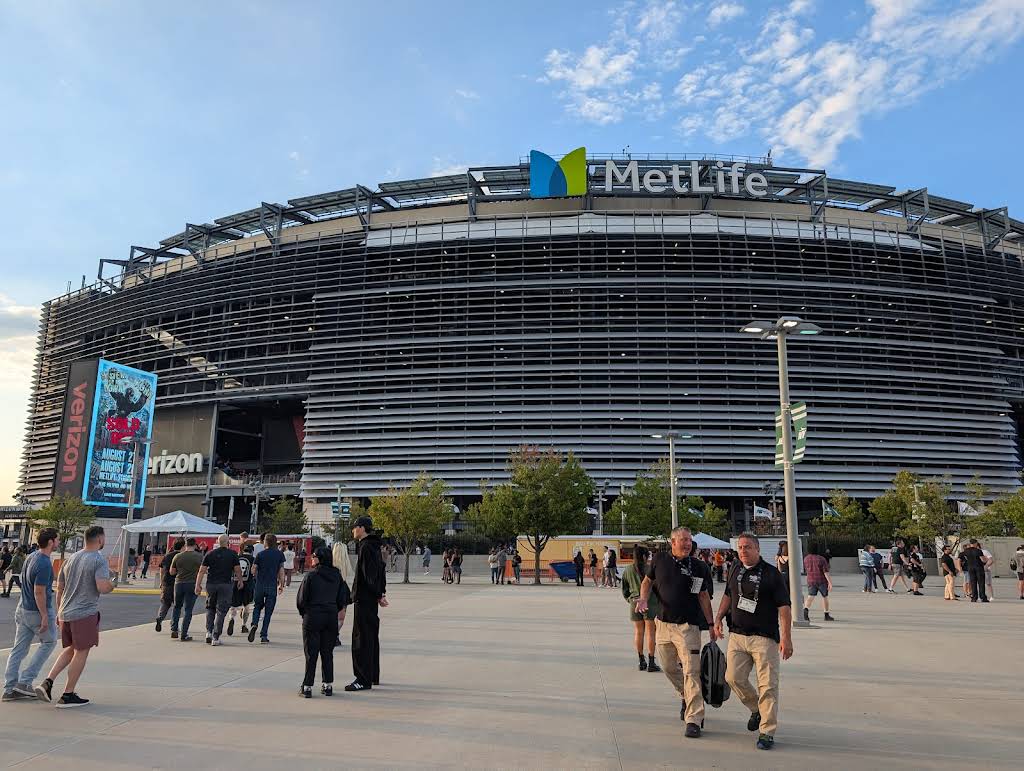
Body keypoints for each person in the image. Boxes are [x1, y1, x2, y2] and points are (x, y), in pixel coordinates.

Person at [714, 532, 793, 751]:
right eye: (740, 547)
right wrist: (718, 617)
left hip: (764, 639)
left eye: (747, 547)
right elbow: (729, 595)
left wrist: (786, 638)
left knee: (768, 686)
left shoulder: (772, 574)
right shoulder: (735, 568)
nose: (743, 551)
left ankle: (767, 731)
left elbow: (784, 607)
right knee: (733, 677)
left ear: (757, 549)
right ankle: (756, 709)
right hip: (737, 636)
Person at [635, 527, 717, 739]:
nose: (687, 543)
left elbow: (703, 596)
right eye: (683, 540)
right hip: (663, 625)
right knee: (669, 667)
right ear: (672, 542)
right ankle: (685, 695)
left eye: (689, 540)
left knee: (692, 671)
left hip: (688, 627)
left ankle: (694, 719)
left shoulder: (698, 566)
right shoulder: (660, 560)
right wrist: (643, 598)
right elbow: (647, 581)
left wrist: (711, 623)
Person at [35, 525, 115, 708]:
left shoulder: (71, 559)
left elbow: (60, 589)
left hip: (65, 612)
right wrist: (112, 584)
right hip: (85, 613)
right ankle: (68, 694)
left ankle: (48, 682)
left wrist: (58, 611)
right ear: (100, 539)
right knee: (81, 651)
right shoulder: (98, 560)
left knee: (71, 649)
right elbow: (102, 587)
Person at [3, 529, 58, 702]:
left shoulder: (32, 556)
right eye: (57, 539)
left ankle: (9, 689)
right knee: (49, 642)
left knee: (18, 649)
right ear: (50, 542)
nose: (58, 542)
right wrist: (44, 616)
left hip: (23, 609)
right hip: (35, 610)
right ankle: (25, 682)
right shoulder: (44, 563)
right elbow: (39, 592)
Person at [296, 546, 351, 698]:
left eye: (314, 556)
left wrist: (304, 613)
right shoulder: (337, 575)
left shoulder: (311, 576)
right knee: (327, 652)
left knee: (311, 653)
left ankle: (307, 686)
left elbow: (301, 599)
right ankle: (328, 685)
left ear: (319, 558)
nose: (312, 558)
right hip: (330, 616)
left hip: (313, 616)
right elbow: (343, 598)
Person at [347, 516, 387, 692]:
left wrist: (378, 593)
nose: (353, 530)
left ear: (362, 528)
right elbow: (380, 571)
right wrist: (380, 593)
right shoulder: (375, 546)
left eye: (355, 527)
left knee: (361, 638)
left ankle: (362, 678)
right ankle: (372, 674)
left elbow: (368, 574)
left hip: (364, 598)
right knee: (370, 636)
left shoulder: (365, 546)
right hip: (371, 598)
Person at [196, 533, 242, 646]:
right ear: (228, 542)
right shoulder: (233, 554)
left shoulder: (210, 553)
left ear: (218, 542)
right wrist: (240, 580)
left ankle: (208, 632)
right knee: (221, 611)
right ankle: (216, 637)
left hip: (211, 584)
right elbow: (237, 569)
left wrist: (197, 584)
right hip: (225, 585)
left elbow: (201, 571)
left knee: (210, 608)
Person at [622, 544, 661, 673]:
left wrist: (630, 599)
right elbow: (657, 587)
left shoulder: (628, 570)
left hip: (635, 602)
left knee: (638, 632)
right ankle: (651, 661)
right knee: (651, 632)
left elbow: (625, 589)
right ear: (644, 556)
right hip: (650, 603)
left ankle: (641, 660)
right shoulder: (650, 569)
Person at [248, 533, 286, 644]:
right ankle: (264, 635)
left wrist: (254, 575)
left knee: (257, 607)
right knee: (268, 612)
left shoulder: (260, 554)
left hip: (260, 585)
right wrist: (281, 584)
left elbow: (254, 569)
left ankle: (254, 624)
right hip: (271, 585)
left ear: (266, 542)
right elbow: (281, 571)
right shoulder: (279, 555)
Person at [169, 538, 203, 641]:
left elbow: (172, 572)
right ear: (195, 545)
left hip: (179, 584)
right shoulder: (199, 557)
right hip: (192, 584)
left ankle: (174, 629)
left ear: (185, 545)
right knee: (188, 610)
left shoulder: (177, 556)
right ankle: (184, 634)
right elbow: (203, 570)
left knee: (177, 607)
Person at [154, 538, 184, 633]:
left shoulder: (167, 556)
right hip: (177, 583)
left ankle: (160, 617)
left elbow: (162, 569)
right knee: (177, 605)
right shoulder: (181, 556)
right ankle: (174, 624)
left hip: (166, 582)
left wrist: (161, 581)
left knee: (165, 603)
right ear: (182, 546)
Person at [226, 543, 255, 636]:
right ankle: (243, 625)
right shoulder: (253, 559)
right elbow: (254, 571)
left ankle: (231, 618)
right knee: (246, 606)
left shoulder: (237, 557)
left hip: (235, 583)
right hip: (248, 585)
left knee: (233, 605)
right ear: (252, 551)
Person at [802, 547, 834, 622]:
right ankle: (826, 614)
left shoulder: (806, 559)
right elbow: (825, 572)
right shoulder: (821, 559)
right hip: (821, 580)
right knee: (825, 597)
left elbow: (806, 569)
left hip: (811, 580)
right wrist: (830, 582)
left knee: (810, 597)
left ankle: (805, 611)